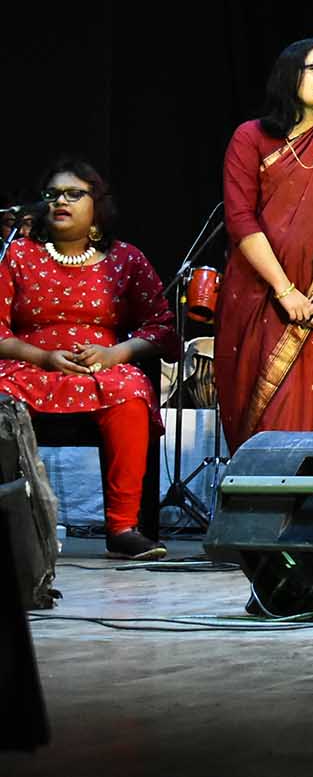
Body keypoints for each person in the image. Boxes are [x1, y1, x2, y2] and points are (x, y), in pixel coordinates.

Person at [0, 159, 179, 559]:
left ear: (97, 205)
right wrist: (43, 357)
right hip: (29, 367)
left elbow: (162, 327)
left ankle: (123, 529)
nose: (60, 201)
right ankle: (12, 531)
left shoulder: (126, 259)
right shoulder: (19, 256)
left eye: (73, 194)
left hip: (103, 369)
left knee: (131, 390)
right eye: (52, 195)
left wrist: (116, 352)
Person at [214, 38, 313, 450]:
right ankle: (259, 510)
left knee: (312, 427)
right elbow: (240, 219)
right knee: (265, 422)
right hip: (259, 297)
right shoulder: (251, 138)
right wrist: (284, 290)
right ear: (290, 73)